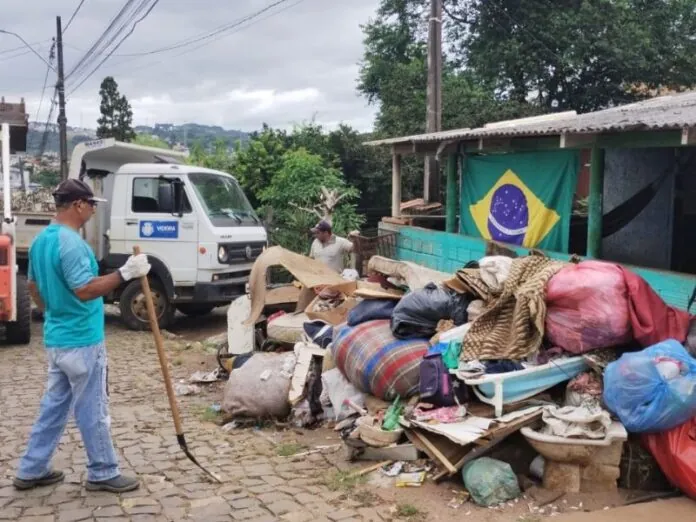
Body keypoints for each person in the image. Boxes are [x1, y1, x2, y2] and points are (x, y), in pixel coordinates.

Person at [13, 179, 151, 493]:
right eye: (90, 204)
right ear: (78, 204)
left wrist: (53, 312)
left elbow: (33, 286)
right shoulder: (72, 243)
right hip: (82, 340)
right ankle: (103, 471)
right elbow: (85, 289)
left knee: (54, 406)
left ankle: (31, 469)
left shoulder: (40, 242)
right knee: (93, 407)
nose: (91, 210)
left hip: (58, 338)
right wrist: (124, 274)